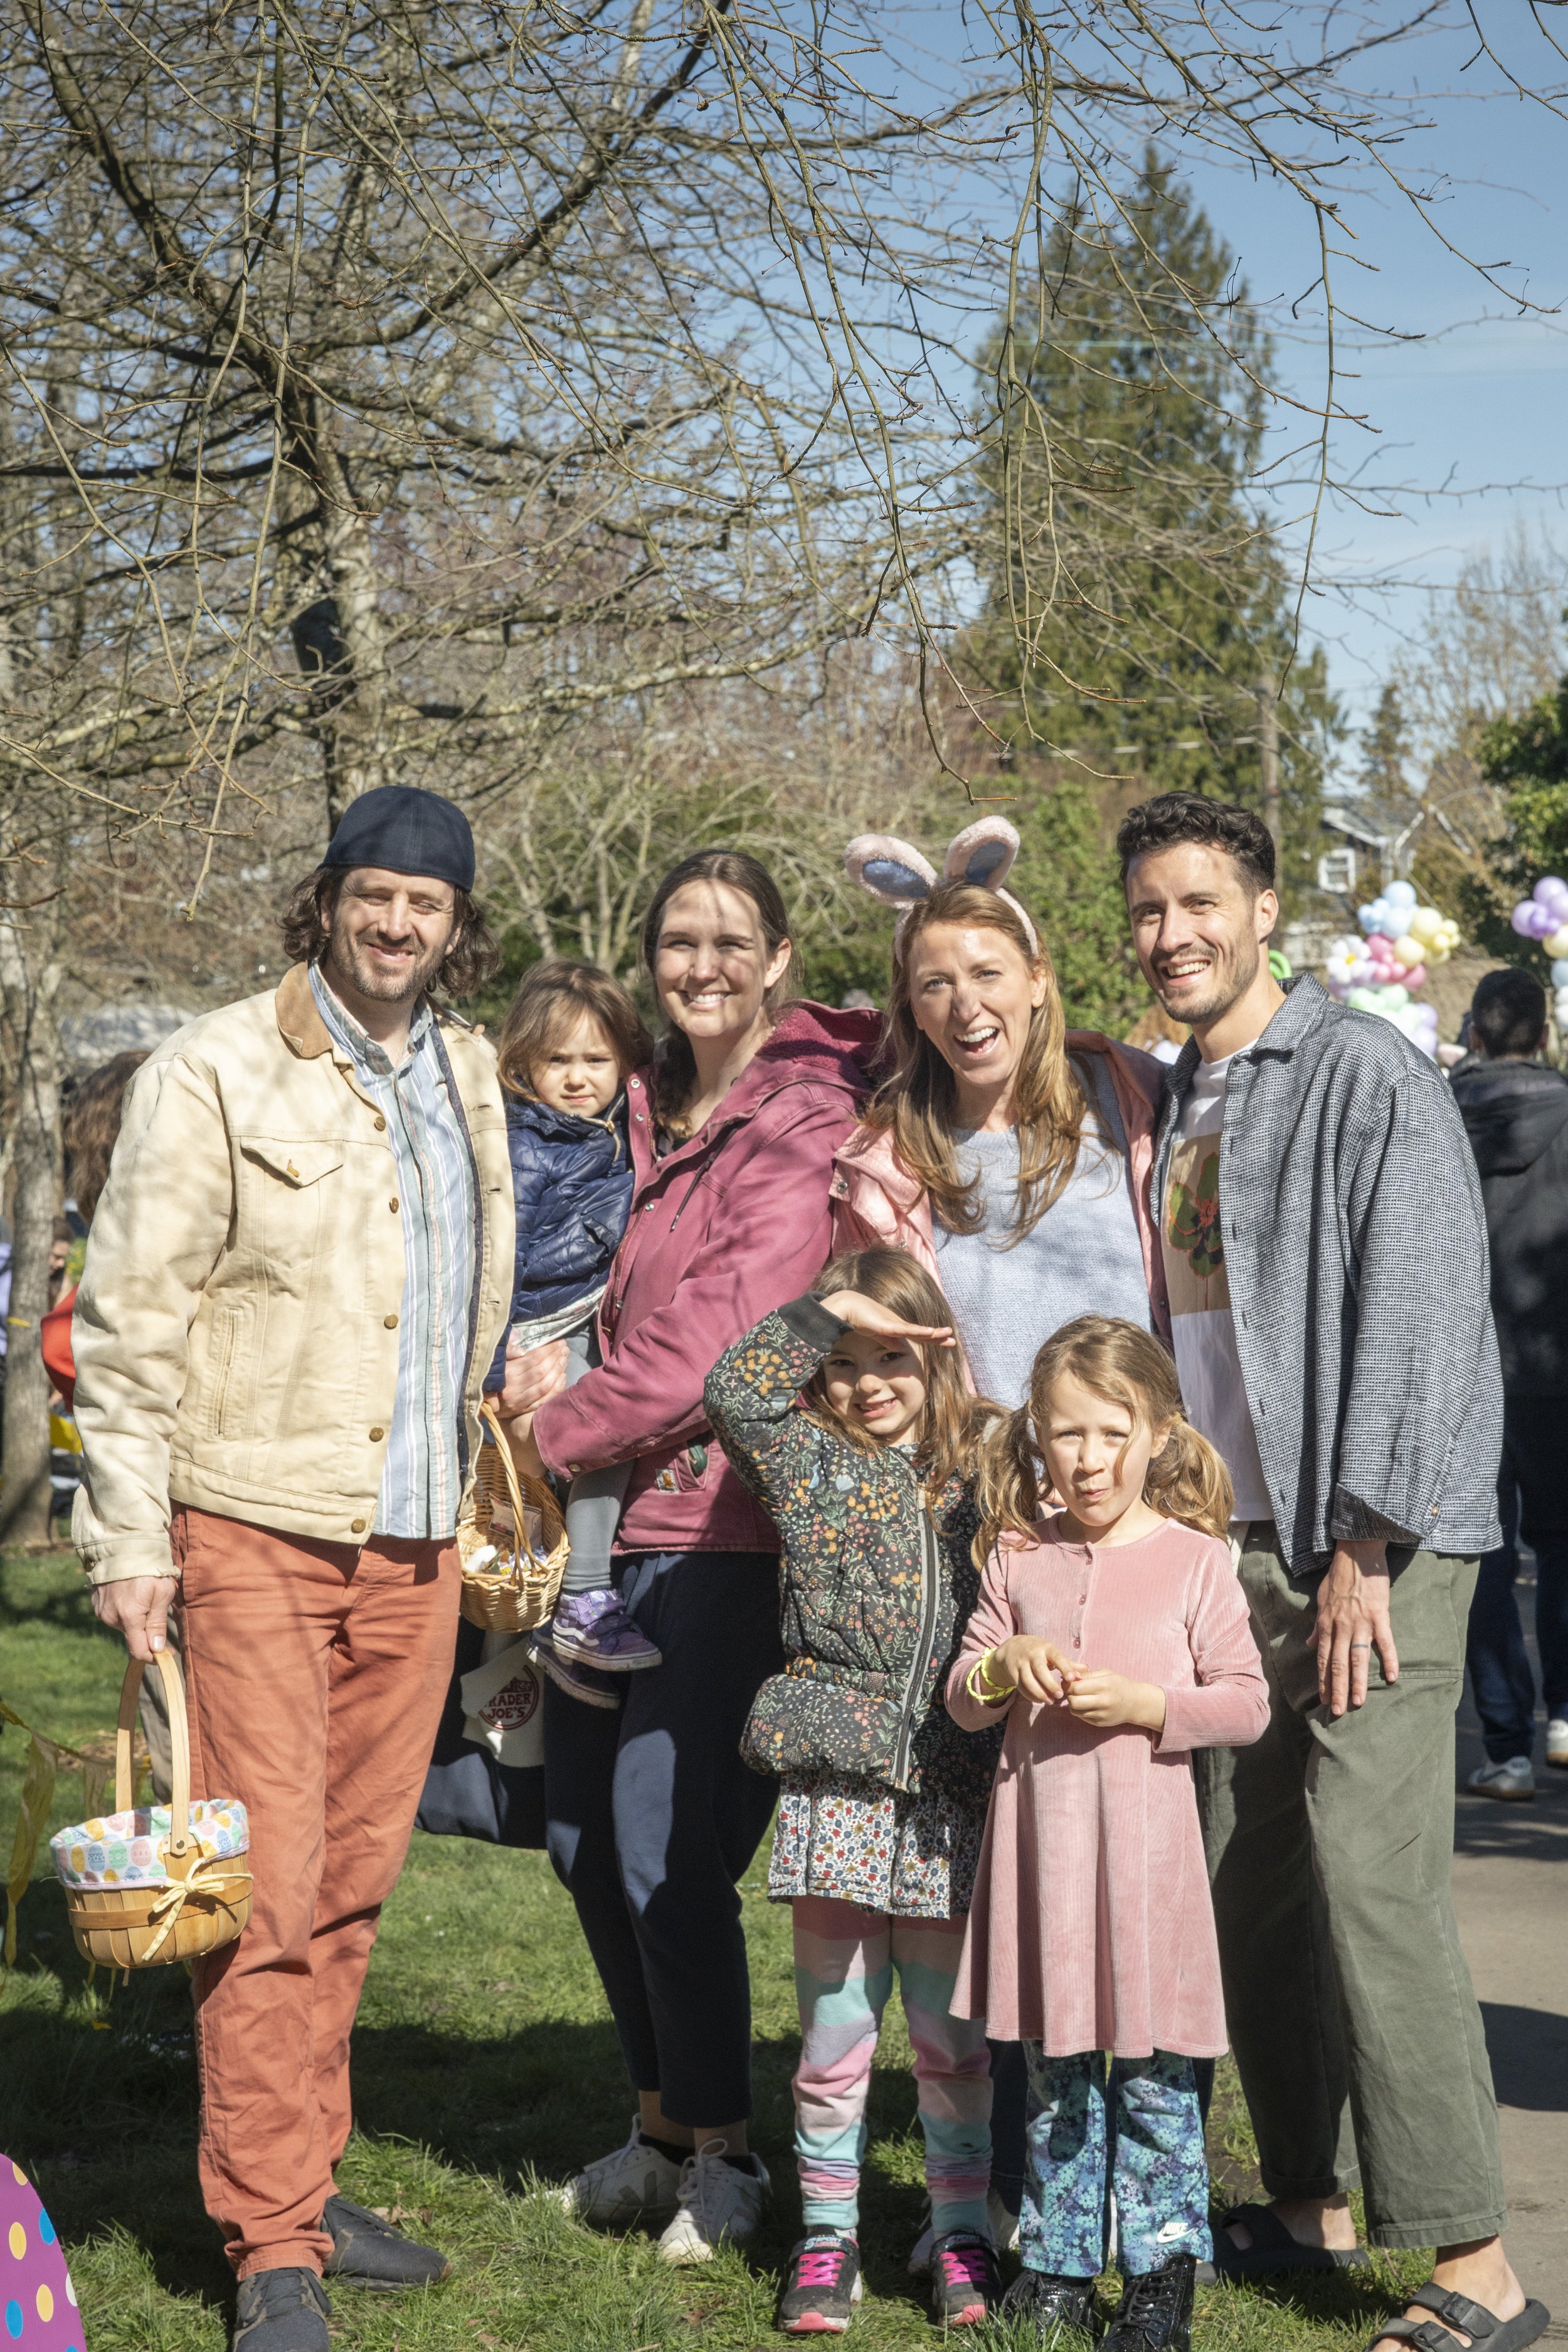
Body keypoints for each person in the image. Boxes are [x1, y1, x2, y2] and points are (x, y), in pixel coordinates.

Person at [71, 787, 514, 2352]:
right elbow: (130, 1317)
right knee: (262, 1890)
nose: (399, 925)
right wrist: (127, 1535)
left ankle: (305, 2180)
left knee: (351, 1885)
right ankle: (270, 2244)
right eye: (375, 895)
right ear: (326, 898)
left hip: (415, 1538)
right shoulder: (213, 1065)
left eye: (429, 905)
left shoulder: (467, 1069)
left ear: (459, 926)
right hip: (251, 1522)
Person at [1120, 790, 1549, 2352]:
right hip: (1229, 1542)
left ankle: (1483, 2264)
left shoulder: (1359, 1064)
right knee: (1254, 1873)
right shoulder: (1182, 1094)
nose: (1172, 933)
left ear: (1265, 906)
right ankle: (1307, 2194)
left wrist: (1365, 1539)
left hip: (1372, 1541)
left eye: (1199, 902)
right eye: (1150, 909)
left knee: (1373, 1879)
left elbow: (1427, 1309)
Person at [498, 849, 879, 2265]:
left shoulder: (798, 1119)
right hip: (612, 1531)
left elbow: (720, 1337)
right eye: (676, 938)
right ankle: (660, 2125)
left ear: (780, 956)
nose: (700, 962)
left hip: (725, 1528)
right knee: (581, 1834)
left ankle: (727, 2151)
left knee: (665, 1843)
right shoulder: (643, 1110)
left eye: (729, 938)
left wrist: (559, 1427)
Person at [832, 813, 1169, 2242]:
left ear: (1037, 977)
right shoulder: (899, 1151)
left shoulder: (1128, 1104)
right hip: (987, 1539)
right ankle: (1010, 2178)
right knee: (1001, 1878)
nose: (963, 1002)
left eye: (987, 970)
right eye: (930, 980)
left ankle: (1139, 2175)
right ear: (906, 1002)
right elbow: (887, 1354)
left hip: (1138, 1532)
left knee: (1126, 1866)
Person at [950, 1315, 1268, 2350]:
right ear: (1038, 1437)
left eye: (1109, 1432)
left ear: (1161, 1433)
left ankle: (1162, 2278)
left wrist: (1148, 1705)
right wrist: (1003, 1668)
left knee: (1158, 2086)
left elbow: (1247, 1703)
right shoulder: (1019, 1557)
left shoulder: (1194, 1564)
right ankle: (1053, 2265)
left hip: (1149, 1885)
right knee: (1053, 2081)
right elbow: (962, 1690)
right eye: (1065, 1434)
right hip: (1045, 1878)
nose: (1086, 1459)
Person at [704, 1248, 1005, 2336]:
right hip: (838, 1790)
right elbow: (731, 1391)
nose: (871, 1380)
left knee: (950, 2044)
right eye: (846, 1360)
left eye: (895, 1356)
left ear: (940, 1356)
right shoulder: (806, 1462)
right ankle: (826, 2243)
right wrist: (824, 1307)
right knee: (834, 2044)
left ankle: (958, 2229)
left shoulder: (990, 1468)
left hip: (948, 1795)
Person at [479, 957, 657, 1703]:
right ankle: (582, 1595)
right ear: (523, 1062)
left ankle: (564, 1611)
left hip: (590, 1313)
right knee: (598, 1417)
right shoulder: (524, 1146)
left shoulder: (627, 1132)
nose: (579, 1078)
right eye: (558, 1060)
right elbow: (493, 1265)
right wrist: (490, 1371)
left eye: (596, 1059)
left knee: (612, 1418)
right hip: (538, 1322)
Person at [1451, 967, 1568, 1797]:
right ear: (1544, 1032)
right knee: (1562, 1543)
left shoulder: (1433, 1113)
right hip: (1556, 1363)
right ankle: (1565, 1715)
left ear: (1478, 1033)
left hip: (1460, 1368)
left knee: (1482, 1554)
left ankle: (1507, 1747)